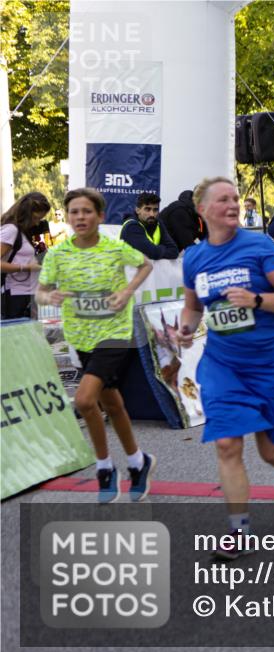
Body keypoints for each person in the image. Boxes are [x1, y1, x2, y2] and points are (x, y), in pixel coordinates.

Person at [177, 177, 274, 558]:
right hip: (223, 365)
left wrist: (256, 299)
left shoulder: (259, 245)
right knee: (227, 443)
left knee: (270, 451)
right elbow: (192, 307)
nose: (233, 204)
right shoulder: (194, 258)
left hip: (270, 362)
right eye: (223, 200)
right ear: (202, 210)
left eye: (235, 198)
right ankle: (239, 531)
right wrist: (185, 329)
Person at [36, 188, 155, 503]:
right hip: (82, 337)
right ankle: (138, 462)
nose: (80, 217)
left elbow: (146, 265)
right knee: (113, 405)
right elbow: (41, 291)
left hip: (115, 333)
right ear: (67, 217)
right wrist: (50, 296)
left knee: (86, 400)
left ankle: (104, 468)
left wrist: (127, 292)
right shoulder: (58, 254)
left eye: (87, 211)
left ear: (100, 216)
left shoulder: (116, 248)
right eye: (74, 212)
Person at [1, 192, 49, 320]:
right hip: (14, 294)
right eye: (36, 218)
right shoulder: (11, 230)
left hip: (27, 293)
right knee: (15, 336)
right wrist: (26, 267)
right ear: (27, 214)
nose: (37, 223)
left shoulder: (23, 232)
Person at [120, 192, 180, 260]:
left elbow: (174, 251)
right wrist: (161, 249)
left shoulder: (158, 223)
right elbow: (152, 253)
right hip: (134, 270)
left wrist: (155, 250)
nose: (152, 214)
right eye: (147, 209)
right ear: (137, 210)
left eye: (155, 210)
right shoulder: (131, 226)